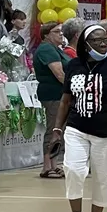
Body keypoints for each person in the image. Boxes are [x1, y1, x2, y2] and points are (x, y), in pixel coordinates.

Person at [50, 25, 107, 212]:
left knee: (102, 177)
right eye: (97, 40)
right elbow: (65, 100)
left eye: (105, 40)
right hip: (76, 127)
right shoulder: (73, 65)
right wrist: (57, 129)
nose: (103, 44)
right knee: (73, 169)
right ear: (85, 44)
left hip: (105, 131)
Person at [34, 22, 70, 179]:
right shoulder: (46, 49)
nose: (61, 34)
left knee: (58, 130)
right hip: (53, 94)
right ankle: (47, 166)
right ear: (47, 34)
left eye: (61, 31)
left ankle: (54, 164)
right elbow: (60, 74)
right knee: (53, 129)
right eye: (56, 31)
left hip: (59, 94)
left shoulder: (55, 49)